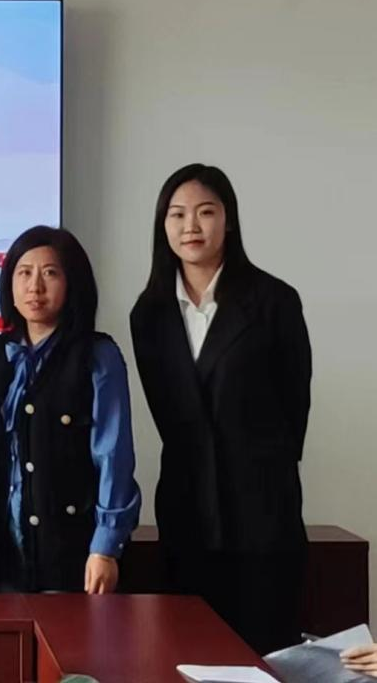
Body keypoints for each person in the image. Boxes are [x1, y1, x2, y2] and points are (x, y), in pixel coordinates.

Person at [131, 164, 311, 654]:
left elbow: (295, 409)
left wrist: (259, 472)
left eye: (205, 212)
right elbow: (170, 415)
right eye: (177, 214)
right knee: (188, 655)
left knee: (265, 655)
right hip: (186, 510)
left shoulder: (274, 301)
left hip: (262, 516)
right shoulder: (148, 314)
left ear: (228, 220)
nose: (191, 226)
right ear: (163, 225)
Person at [0, 226, 141, 594]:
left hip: (74, 555)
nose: (35, 287)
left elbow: (113, 457)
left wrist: (105, 547)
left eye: (50, 273)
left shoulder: (98, 356)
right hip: (1, 559)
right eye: (24, 273)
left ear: (72, 284)